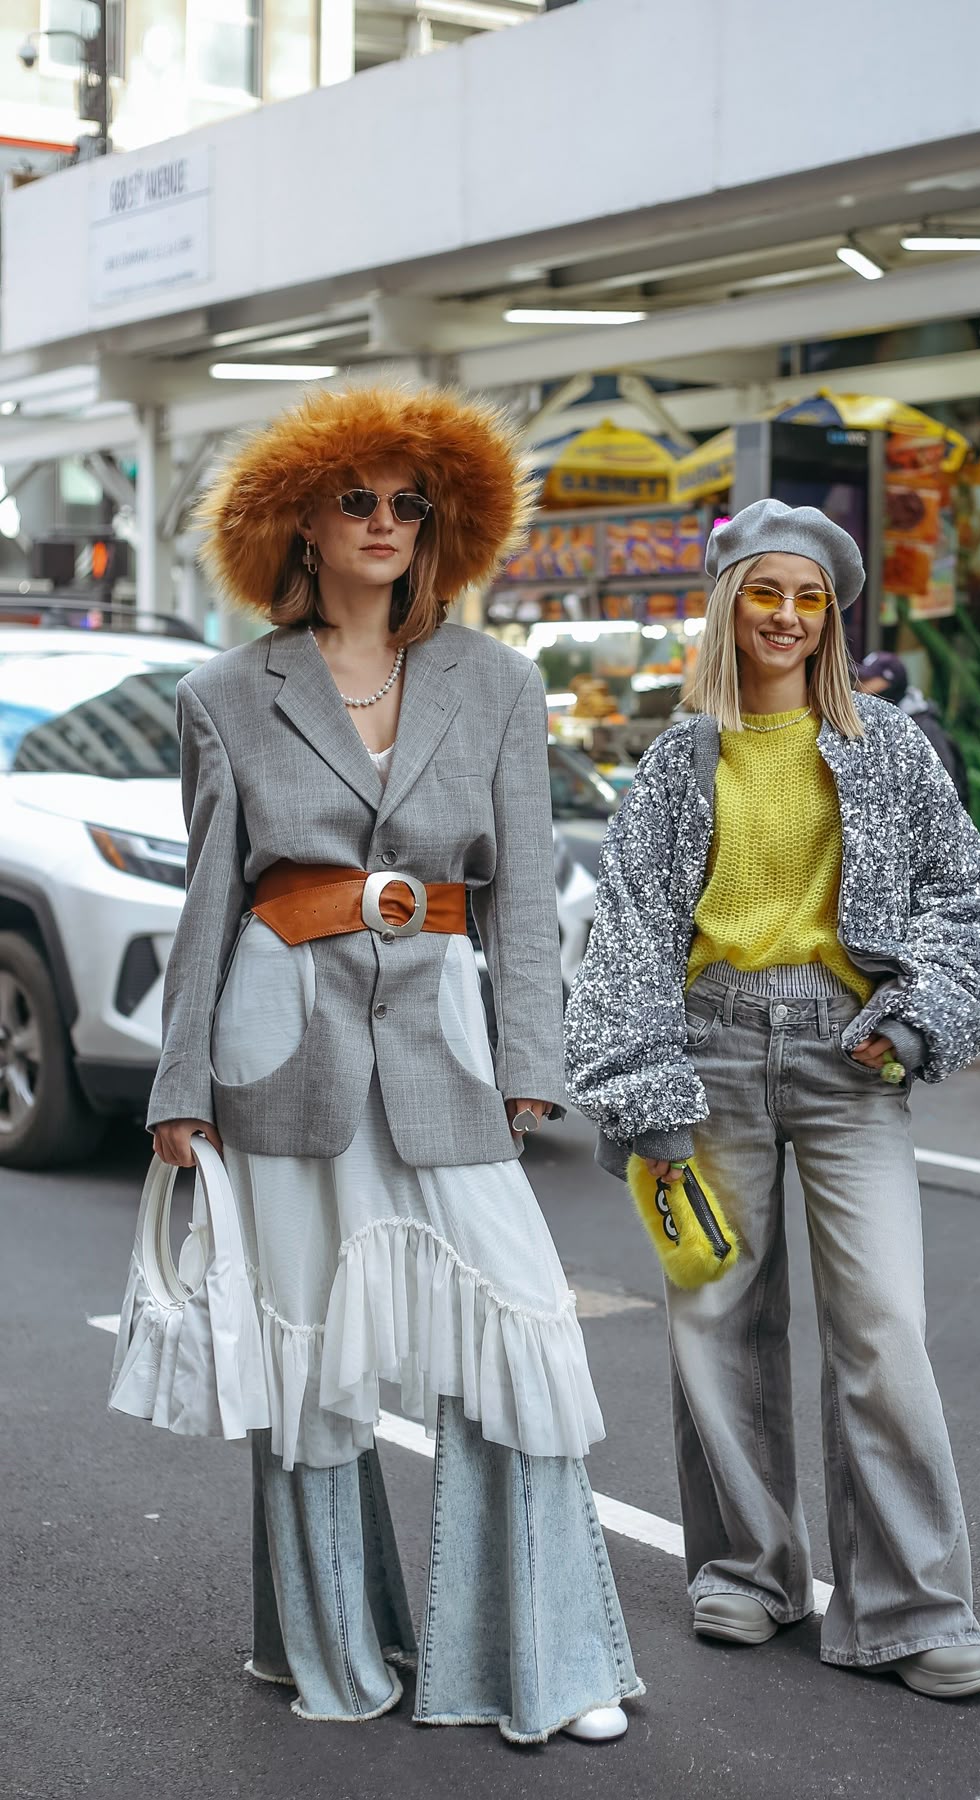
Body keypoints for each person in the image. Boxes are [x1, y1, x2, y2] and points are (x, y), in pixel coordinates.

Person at [146, 383, 642, 1743]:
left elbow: (524, 894)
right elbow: (206, 898)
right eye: (354, 499)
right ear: (299, 523)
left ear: (438, 527)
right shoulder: (222, 694)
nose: (383, 521)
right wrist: (180, 1088)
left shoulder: (499, 682)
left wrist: (532, 1052)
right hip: (274, 1034)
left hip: (442, 1035)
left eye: (408, 503)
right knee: (306, 1353)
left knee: (516, 1322)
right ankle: (334, 1652)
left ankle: (544, 1662)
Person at [564, 499, 980, 1701]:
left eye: (810, 599)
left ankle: (913, 1607)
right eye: (767, 593)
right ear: (729, 605)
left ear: (831, 615)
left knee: (884, 1327)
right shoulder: (676, 762)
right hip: (708, 1051)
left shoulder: (889, 745)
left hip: (853, 1056)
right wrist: (643, 1091)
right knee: (717, 1321)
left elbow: (963, 898)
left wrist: (917, 1020)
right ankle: (747, 1571)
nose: (789, 617)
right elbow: (631, 936)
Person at [857, 649, 971, 806]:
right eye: (861, 680)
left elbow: (943, 791)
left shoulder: (924, 728)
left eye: (869, 680)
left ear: (891, 682)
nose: (862, 687)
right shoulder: (879, 724)